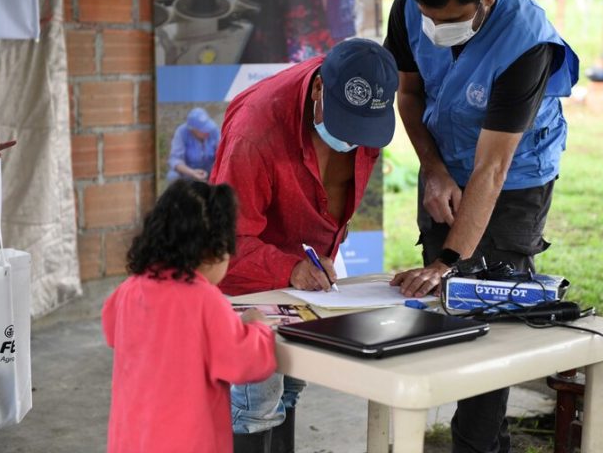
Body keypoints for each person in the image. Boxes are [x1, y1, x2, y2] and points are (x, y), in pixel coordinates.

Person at [384, 0, 578, 451]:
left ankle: (477, 443)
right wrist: (432, 169)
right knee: (444, 311)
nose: (434, 29)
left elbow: (492, 169)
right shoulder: (411, 2)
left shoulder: (526, 42)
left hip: (514, 176)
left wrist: (449, 262)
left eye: (449, 21)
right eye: (428, 20)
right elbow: (409, 95)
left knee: (486, 313)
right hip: (445, 158)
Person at [209, 37, 398, 452]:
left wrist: (314, 261)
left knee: (291, 383)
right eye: (346, 126)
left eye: (362, 132)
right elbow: (223, 243)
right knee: (254, 400)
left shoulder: (366, 119)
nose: (353, 142)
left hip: (305, 279)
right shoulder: (255, 131)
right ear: (318, 90)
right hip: (249, 275)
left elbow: (337, 201)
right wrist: (291, 268)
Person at [101, 180, 277, 453]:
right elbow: (245, 364)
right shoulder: (206, 301)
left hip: (131, 440)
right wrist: (257, 328)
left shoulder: (129, 289)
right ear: (214, 251)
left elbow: (112, 329)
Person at [166, 107, 220, 182]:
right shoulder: (181, 132)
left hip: (211, 170)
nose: (207, 131)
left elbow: (222, 153)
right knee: (173, 176)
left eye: (208, 127)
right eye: (203, 129)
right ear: (192, 130)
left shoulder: (214, 130)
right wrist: (192, 173)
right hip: (189, 171)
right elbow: (175, 159)